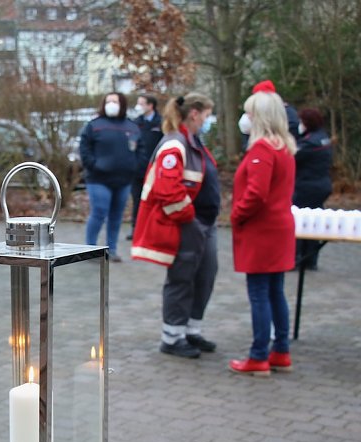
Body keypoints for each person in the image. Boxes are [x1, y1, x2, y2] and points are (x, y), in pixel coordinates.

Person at [131, 93, 220, 359]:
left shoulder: (192, 141)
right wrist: (189, 219)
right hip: (188, 224)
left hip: (203, 223)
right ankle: (172, 337)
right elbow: (167, 190)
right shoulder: (175, 145)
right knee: (182, 279)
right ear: (194, 113)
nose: (207, 120)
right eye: (205, 115)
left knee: (204, 276)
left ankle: (191, 330)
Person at [229, 89, 297, 376]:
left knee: (259, 294)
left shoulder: (262, 150)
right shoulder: (284, 147)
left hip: (262, 230)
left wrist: (237, 214)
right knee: (275, 292)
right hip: (279, 227)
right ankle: (280, 350)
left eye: (250, 113)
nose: (246, 118)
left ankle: (259, 354)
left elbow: (257, 193)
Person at [79, 92, 141, 262]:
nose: (112, 104)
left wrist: (134, 167)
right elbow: (84, 148)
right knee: (99, 212)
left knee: (116, 215)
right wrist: (93, 165)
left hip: (123, 179)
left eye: (115, 101)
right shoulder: (94, 126)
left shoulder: (132, 127)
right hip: (98, 179)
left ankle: (111, 249)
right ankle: (90, 250)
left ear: (122, 104)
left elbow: (140, 150)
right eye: (109, 101)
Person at [293, 108, 333, 270]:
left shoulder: (309, 144)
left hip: (306, 186)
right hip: (321, 184)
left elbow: (292, 157)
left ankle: (296, 258)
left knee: (300, 222)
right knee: (314, 223)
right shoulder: (323, 138)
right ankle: (311, 259)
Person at [128, 93, 163, 240]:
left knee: (155, 199)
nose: (139, 106)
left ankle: (155, 229)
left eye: (142, 103)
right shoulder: (136, 123)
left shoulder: (160, 123)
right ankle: (136, 229)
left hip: (156, 168)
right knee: (137, 199)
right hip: (139, 169)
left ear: (151, 106)